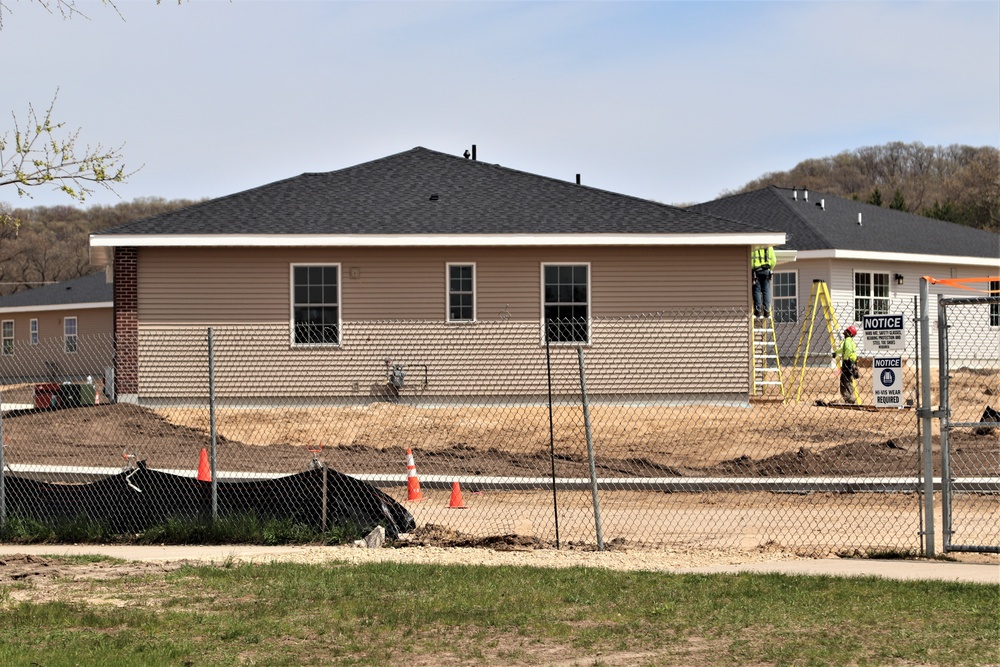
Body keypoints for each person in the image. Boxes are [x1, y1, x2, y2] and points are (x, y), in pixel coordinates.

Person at [833, 325, 859, 403]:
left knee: (845, 381)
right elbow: (843, 349)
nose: (844, 333)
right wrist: (836, 352)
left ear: (849, 333)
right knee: (847, 380)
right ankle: (849, 398)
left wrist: (846, 359)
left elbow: (847, 350)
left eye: (846, 331)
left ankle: (850, 399)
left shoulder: (847, 340)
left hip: (848, 363)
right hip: (852, 363)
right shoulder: (851, 341)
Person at [751, 245, 777, 318]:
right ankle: (767, 310)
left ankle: (758, 310)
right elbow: (774, 261)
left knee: (757, 290)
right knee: (766, 290)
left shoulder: (753, 247)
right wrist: (770, 268)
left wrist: (752, 269)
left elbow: (750, 260)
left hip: (757, 271)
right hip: (766, 271)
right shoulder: (769, 247)